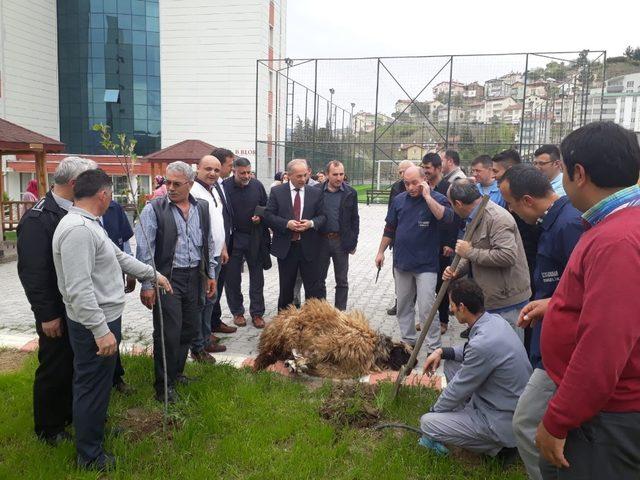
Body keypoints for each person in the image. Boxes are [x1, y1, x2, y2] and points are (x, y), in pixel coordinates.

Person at [533, 122, 640, 479]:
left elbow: (604, 345)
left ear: (579, 174)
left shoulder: (617, 240)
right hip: (600, 411)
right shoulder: (618, 225)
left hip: (606, 419)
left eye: (561, 172)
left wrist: (558, 419)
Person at [52, 169, 172, 470]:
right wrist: (100, 330)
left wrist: (151, 273)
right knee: (91, 385)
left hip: (104, 319)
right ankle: (90, 457)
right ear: (103, 195)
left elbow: (117, 257)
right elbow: (78, 289)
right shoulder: (78, 230)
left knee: (99, 384)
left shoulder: (90, 225)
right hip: (95, 323)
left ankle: (94, 432)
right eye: (112, 196)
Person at [499, 165, 583, 480]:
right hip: (548, 343)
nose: (510, 210)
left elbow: (590, 287)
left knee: (524, 421)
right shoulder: (551, 224)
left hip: (564, 351)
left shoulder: (569, 225)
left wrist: (553, 304)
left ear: (528, 200)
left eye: (511, 203)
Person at [17, 156, 96, 446]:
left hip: (77, 306)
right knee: (55, 365)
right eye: (91, 180)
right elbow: (34, 273)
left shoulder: (79, 211)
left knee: (75, 365)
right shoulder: (39, 218)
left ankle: (72, 416)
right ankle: (49, 428)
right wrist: (47, 315)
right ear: (75, 183)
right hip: (56, 310)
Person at [420, 278, 531, 461]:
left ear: (462, 307)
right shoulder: (494, 321)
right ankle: (465, 418)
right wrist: (442, 351)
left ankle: (497, 447)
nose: (451, 310)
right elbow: (469, 350)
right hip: (506, 405)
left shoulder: (483, 344)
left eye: (452, 305)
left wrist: (434, 411)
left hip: (500, 422)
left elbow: (458, 388)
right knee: (451, 362)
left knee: (428, 423)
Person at [136, 161, 218, 402]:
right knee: (168, 333)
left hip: (194, 276)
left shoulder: (201, 207)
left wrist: (210, 274)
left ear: (190, 184)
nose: (170, 188)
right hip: (166, 280)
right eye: (167, 182)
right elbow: (145, 249)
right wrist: (148, 284)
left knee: (189, 329)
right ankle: (163, 386)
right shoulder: (154, 209)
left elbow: (208, 242)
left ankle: (176, 374)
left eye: (176, 183)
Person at [375, 166, 453, 351]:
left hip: (426, 264)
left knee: (427, 307)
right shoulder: (399, 200)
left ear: (424, 179)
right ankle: (408, 340)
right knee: (403, 305)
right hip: (402, 262)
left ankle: (434, 346)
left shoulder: (438, 199)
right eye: (406, 183)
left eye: (415, 183)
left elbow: (446, 218)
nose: (410, 187)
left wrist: (427, 196)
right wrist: (380, 251)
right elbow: (390, 228)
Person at [443, 179, 531, 342]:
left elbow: (507, 256)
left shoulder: (497, 218)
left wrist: (469, 252)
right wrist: (457, 269)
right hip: (489, 300)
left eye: (451, 205)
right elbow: (472, 253)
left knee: (507, 354)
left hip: (507, 303)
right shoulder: (474, 217)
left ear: (458, 203)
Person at [264, 158, 326, 311]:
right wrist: (287, 224)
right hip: (287, 248)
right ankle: (284, 323)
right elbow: (269, 216)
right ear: (289, 175)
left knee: (313, 289)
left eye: (305, 175)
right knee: (286, 288)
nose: (303, 179)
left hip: (309, 247)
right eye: (299, 176)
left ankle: (313, 322)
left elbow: (323, 217)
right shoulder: (277, 192)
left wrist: (311, 223)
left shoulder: (315, 192)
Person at [223, 157, 270, 328]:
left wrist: (261, 217)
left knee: (257, 276)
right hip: (233, 238)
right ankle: (237, 312)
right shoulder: (224, 187)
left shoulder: (257, 186)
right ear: (234, 171)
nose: (246, 176)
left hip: (254, 237)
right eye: (242, 172)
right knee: (232, 277)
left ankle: (257, 313)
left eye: (249, 172)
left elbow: (267, 206)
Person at [190, 154, 229, 357]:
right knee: (203, 301)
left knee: (210, 300)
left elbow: (216, 224)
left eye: (216, 169)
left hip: (215, 254)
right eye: (208, 169)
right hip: (203, 258)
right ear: (198, 168)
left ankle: (205, 337)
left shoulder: (213, 190)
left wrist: (222, 247)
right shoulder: (194, 192)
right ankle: (200, 344)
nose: (212, 173)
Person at [422, 152, 461, 335]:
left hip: (443, 245)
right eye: (423, 167)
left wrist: (450, 243)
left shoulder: (448, 188)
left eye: (428, 168)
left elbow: (454, 219)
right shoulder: (423, 187)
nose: (425, 171)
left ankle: (443, 320)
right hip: (427, 242)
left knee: (442, 284)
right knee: (426, 285)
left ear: (438, 168)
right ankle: (429, 320)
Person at [101, 199, 137, 393]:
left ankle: (115, 377)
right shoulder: (76, 212)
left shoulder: (113, 208)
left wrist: (131, 272)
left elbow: (124, 242)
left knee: (114, 332)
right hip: (91, 284)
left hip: (114, 280)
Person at [318, 160, 360, 311]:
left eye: (341, 174)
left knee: (342, 280)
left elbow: (355, 218)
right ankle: (321, 312)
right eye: (335, 174)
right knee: (319, 279)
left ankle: (339, 313)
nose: (339, 177)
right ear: (327, 175)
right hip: (321, 241)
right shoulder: (316, 191)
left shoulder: (350, 192)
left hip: (341, 242)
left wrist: (353, 242)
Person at [209, 148, 238, 336]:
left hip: (225, 245)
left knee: (218, 287)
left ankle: (215, 321)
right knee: (212, 288)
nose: (232, 168)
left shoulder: (221, 184)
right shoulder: (207, 188)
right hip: (215, 248)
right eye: (230, 164)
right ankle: (208, 327)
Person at [385, 159, 415, 316]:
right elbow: (391, 212)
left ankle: (413, 301)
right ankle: (400, 302)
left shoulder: (420, 187)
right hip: (398, 237)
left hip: (416, 238)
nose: (401, 174)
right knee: (397, 272)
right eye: (400, 172)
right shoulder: (396, 187)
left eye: (403, 171)